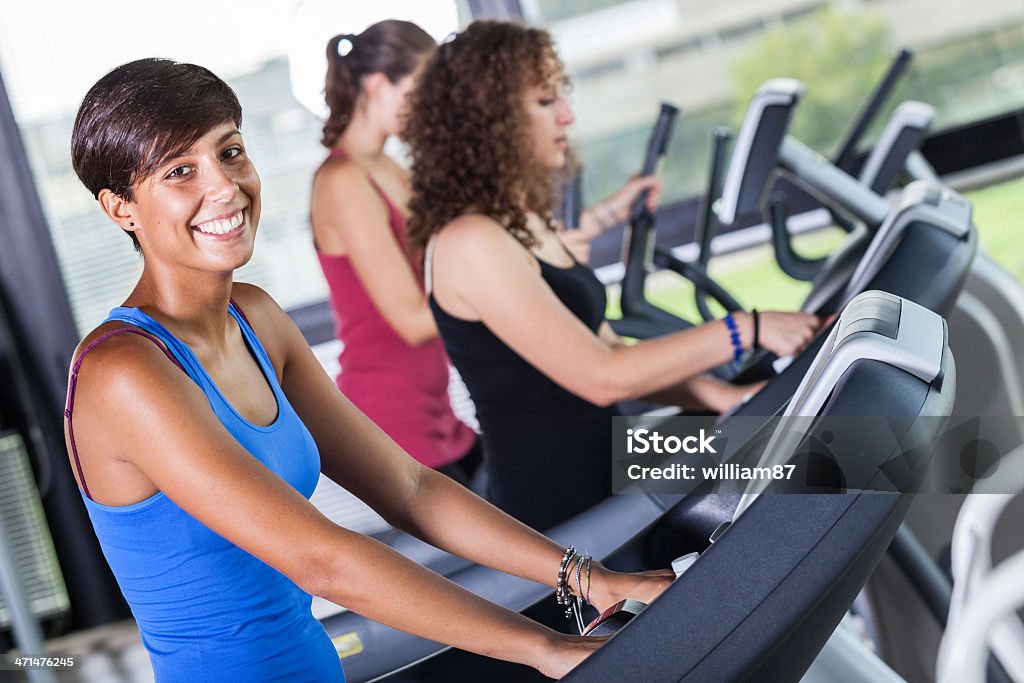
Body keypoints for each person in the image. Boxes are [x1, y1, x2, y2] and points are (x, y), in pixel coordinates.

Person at [64, 58, 672, 681]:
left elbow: (408, 486)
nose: (224, 187)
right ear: (121, 208)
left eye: (232, 152)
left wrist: (586, 576)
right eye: (180, 172)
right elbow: (321, 560)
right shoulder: (124, 372)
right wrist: (547, 648)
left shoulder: (256, 316)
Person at [404, 21, 824, 531]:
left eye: (563, 94)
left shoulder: (521, 221)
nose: (567, 114)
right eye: (544, 101)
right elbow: (603, 377)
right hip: (568, 504)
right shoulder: (469, 242)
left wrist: (723, 398)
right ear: (488, 120)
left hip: (619, 456)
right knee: (837, 457)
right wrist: (746, 329)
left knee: (838, 444)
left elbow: (618, 353)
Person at [311, 20, 480, 484]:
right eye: (420, 91)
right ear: (379, 84)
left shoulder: (386, 165)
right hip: (393, 423)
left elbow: (446, 261)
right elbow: (410, 319)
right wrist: (501, 295)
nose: (427, 107)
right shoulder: (344, 181)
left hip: (437, 413)